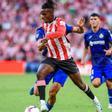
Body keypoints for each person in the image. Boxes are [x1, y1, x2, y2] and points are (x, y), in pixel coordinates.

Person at [36, 0, 102, 112]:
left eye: (44, 14)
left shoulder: (60, 22)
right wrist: (42, 45)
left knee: (80, 85)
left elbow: (66, 32)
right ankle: (42, 105)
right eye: (41, 14)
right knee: (40, 73)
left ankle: (96, 101)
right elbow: (39, 47)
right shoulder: (41, 28)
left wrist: (80, 27)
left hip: (66, 60)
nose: (42, 16)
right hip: (52, 59)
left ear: (51, 13)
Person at [30, 22, 85, 112]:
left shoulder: (62, 26)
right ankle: (35, 87)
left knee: (53, 92)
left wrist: (80, 27)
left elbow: (79, 30)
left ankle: (47, 110)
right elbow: (39, 44)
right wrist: (43, 43)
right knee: (37, 92)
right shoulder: (40, 30)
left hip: (63, 64)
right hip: (50, 63)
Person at [81, 13, 112, 109]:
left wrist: (110, 50)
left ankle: (111, 103)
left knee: (110, 83)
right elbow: (86, 48)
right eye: (91, 19)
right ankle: (104, 77)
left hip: (107, 62)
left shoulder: (106, 32)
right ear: (89, 22)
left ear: (99, 21)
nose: (93, 21)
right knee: (95, 84)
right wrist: (83, 59)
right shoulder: (87, 35)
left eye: (95, 19)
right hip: (96, 64)